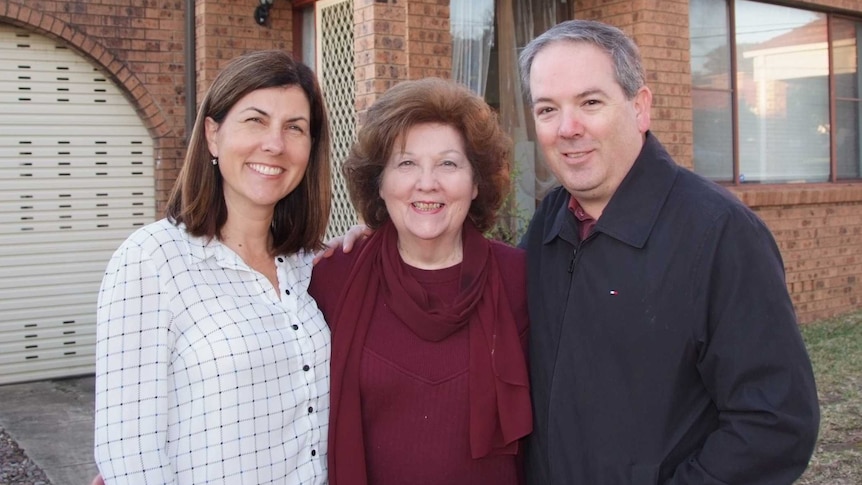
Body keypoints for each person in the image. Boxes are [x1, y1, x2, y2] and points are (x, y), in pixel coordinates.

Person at [518, 19, 820, 484]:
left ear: (640, 108)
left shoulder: (719, 233)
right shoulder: (549, 224)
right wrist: (377, 250)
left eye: (590, 103)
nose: (567, 128)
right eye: (546, 110)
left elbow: (774, 423)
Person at [93, 49, 332, 484]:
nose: (275, 144)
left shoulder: (309, 263)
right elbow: (129, 452)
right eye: (255, 120)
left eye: (294, 128)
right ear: (213, 135)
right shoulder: (152, 260)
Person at [309, 77, 531, 485]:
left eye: (448, 163)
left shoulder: (521, 281)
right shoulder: (332, 279)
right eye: (406, 163)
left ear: (476, 181)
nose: (426, 183)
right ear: (380, 181)